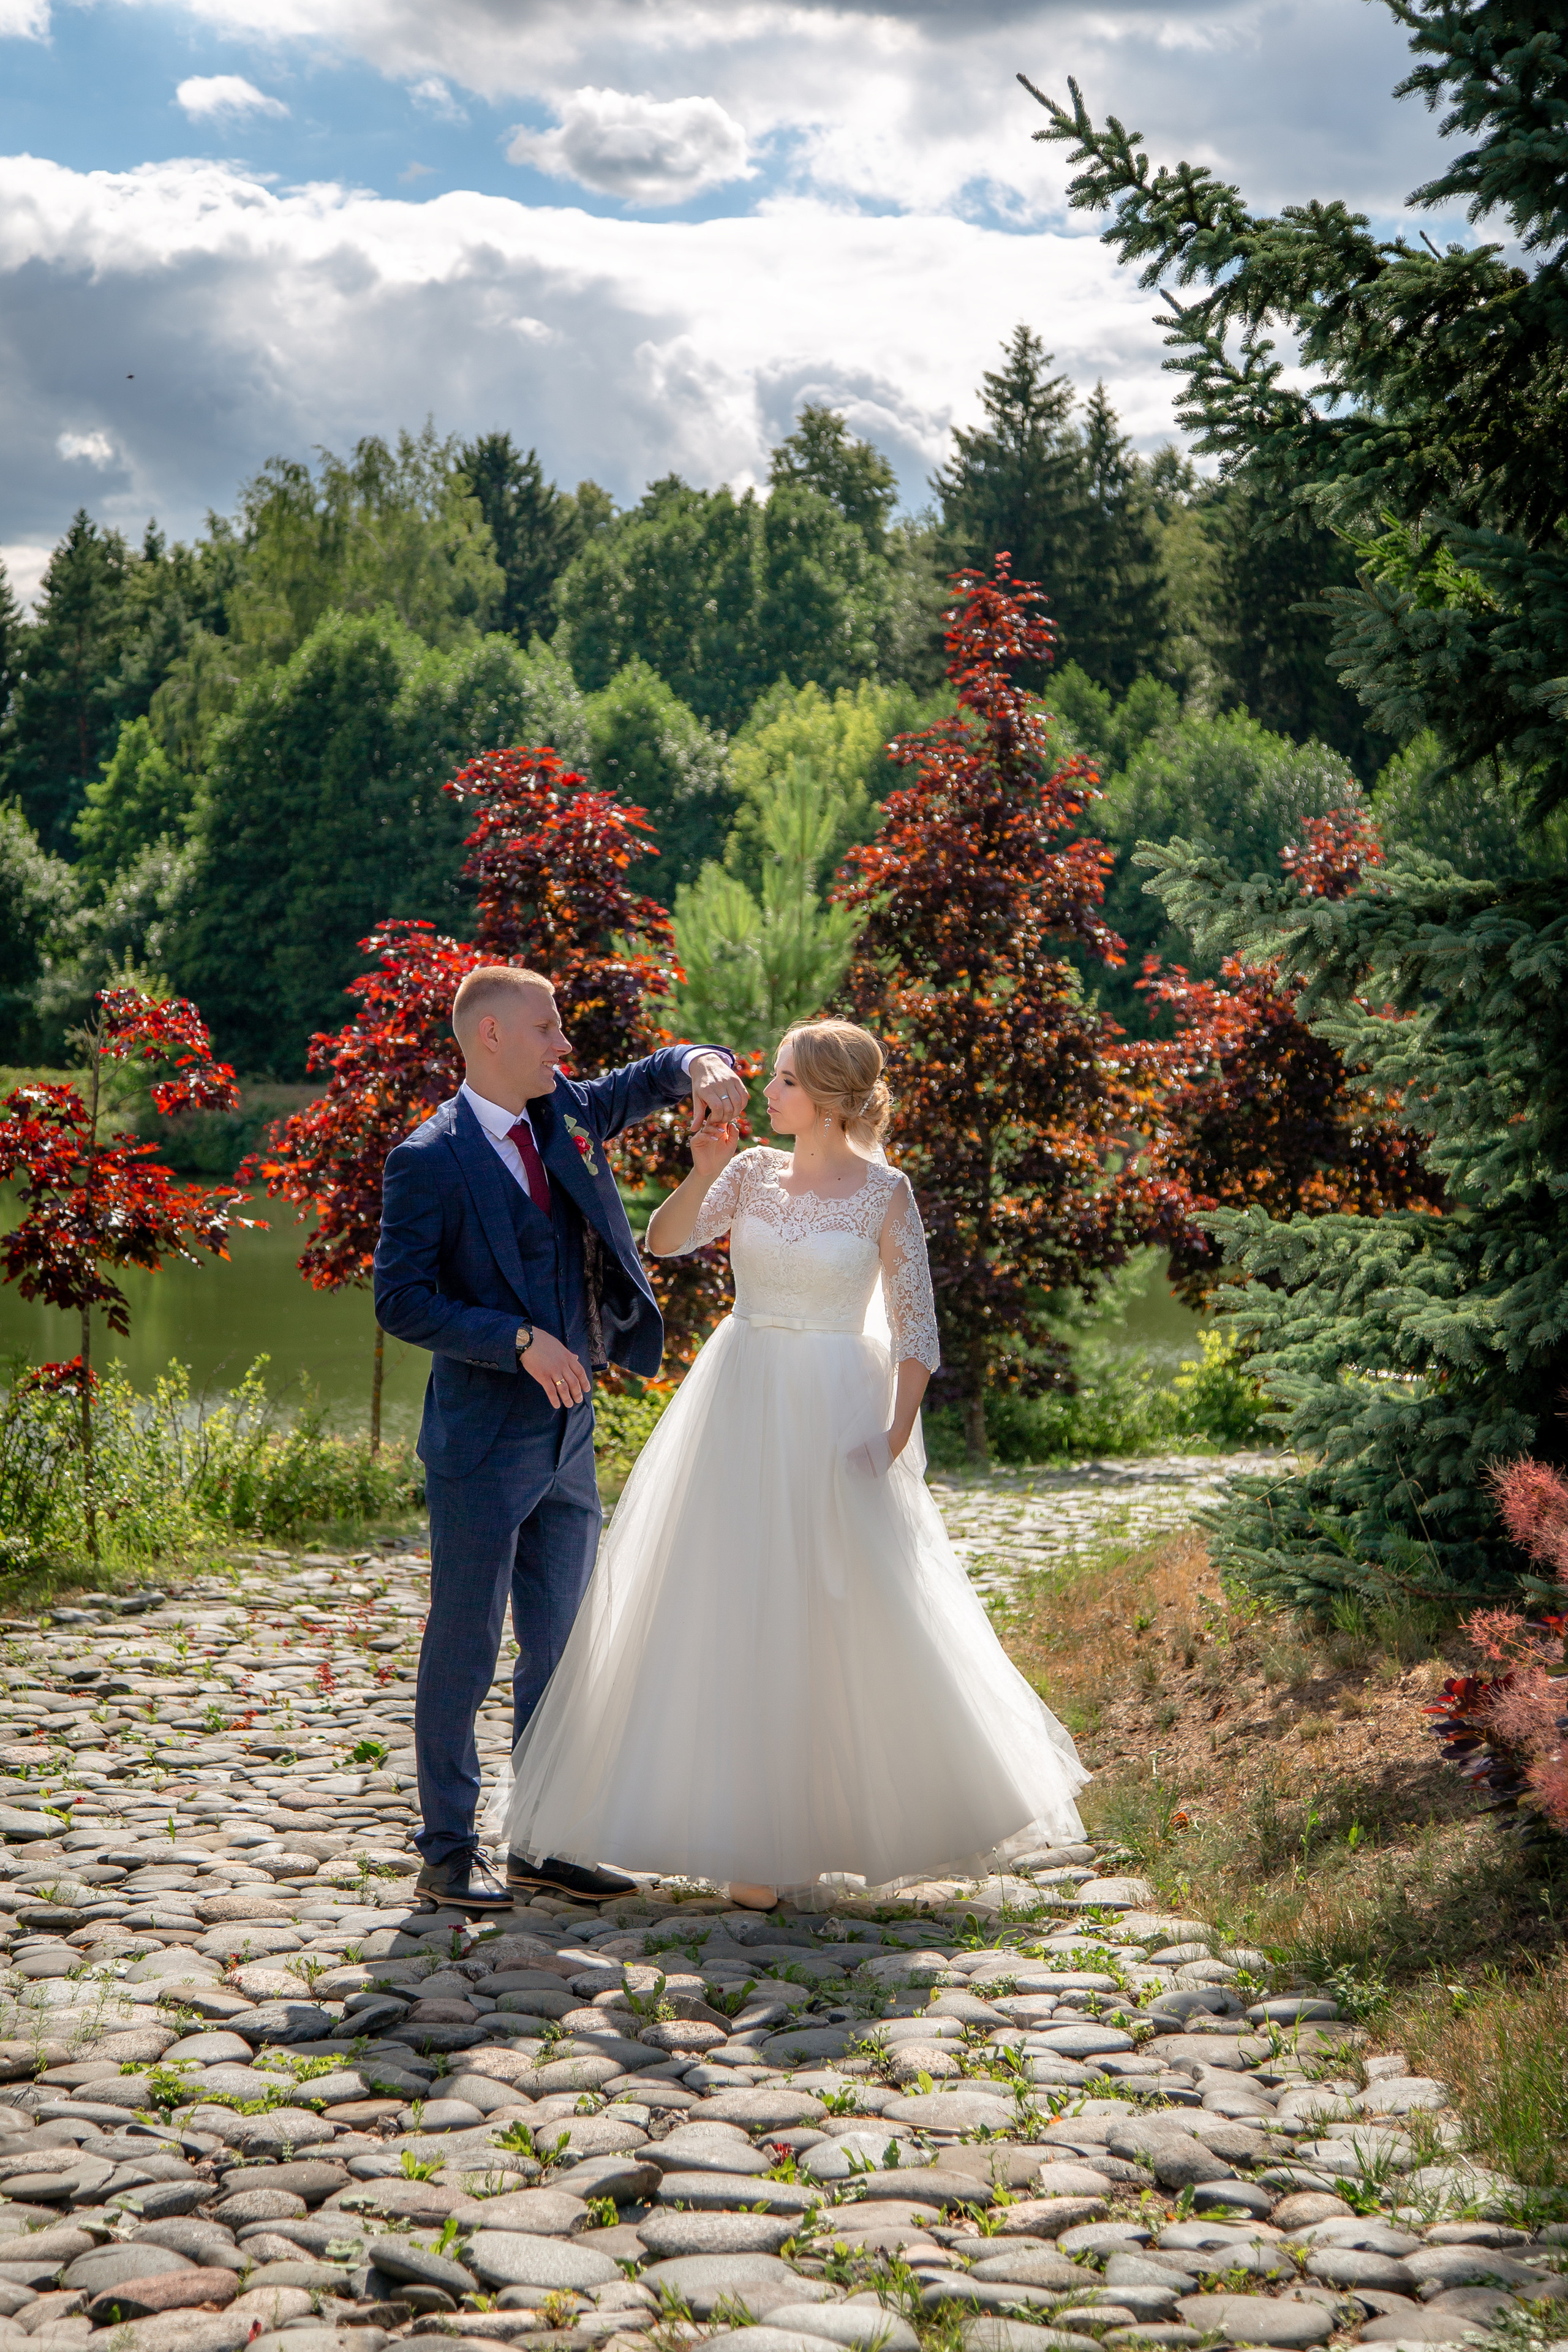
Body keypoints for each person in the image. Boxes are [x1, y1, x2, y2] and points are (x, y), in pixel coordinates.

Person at [490, 1017, 1087, 1907]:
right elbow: (665, 1242)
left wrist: (891, 1436)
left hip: (837, 1409)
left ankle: (815, 1829)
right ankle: (746, 1842)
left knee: (833, 1613)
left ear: (830, 1101)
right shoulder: (749, 1172)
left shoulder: (887, 1193)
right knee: (728, 1605)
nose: (762, 1092)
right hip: (739, 1397)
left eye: (782, 1081)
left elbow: (917, 1327)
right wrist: (699, 1169)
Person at [372, 963, 741, 1911]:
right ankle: (449, 1848)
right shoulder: (427, 1158)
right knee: (463, 1646)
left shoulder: (568, 1112)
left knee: (563, 1650)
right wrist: (518, 1340)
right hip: (479, 1443)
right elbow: (401, 1301)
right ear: (490, 1037)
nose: (564, 1045)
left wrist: (703, 1064)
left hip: (570, 1439)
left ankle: (541, 1838)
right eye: (547, 1029)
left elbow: (654, 1073)